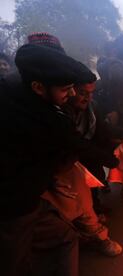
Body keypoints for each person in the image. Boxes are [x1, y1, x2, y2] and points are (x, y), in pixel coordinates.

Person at [0, 42, 86, 276]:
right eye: (65, 89)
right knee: (14, 264)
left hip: (30, 199)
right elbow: (76, 144)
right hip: (13, 208)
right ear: (38, 87)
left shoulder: (29, 99)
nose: (72, 95)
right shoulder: (31, 118)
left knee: (64, 237)